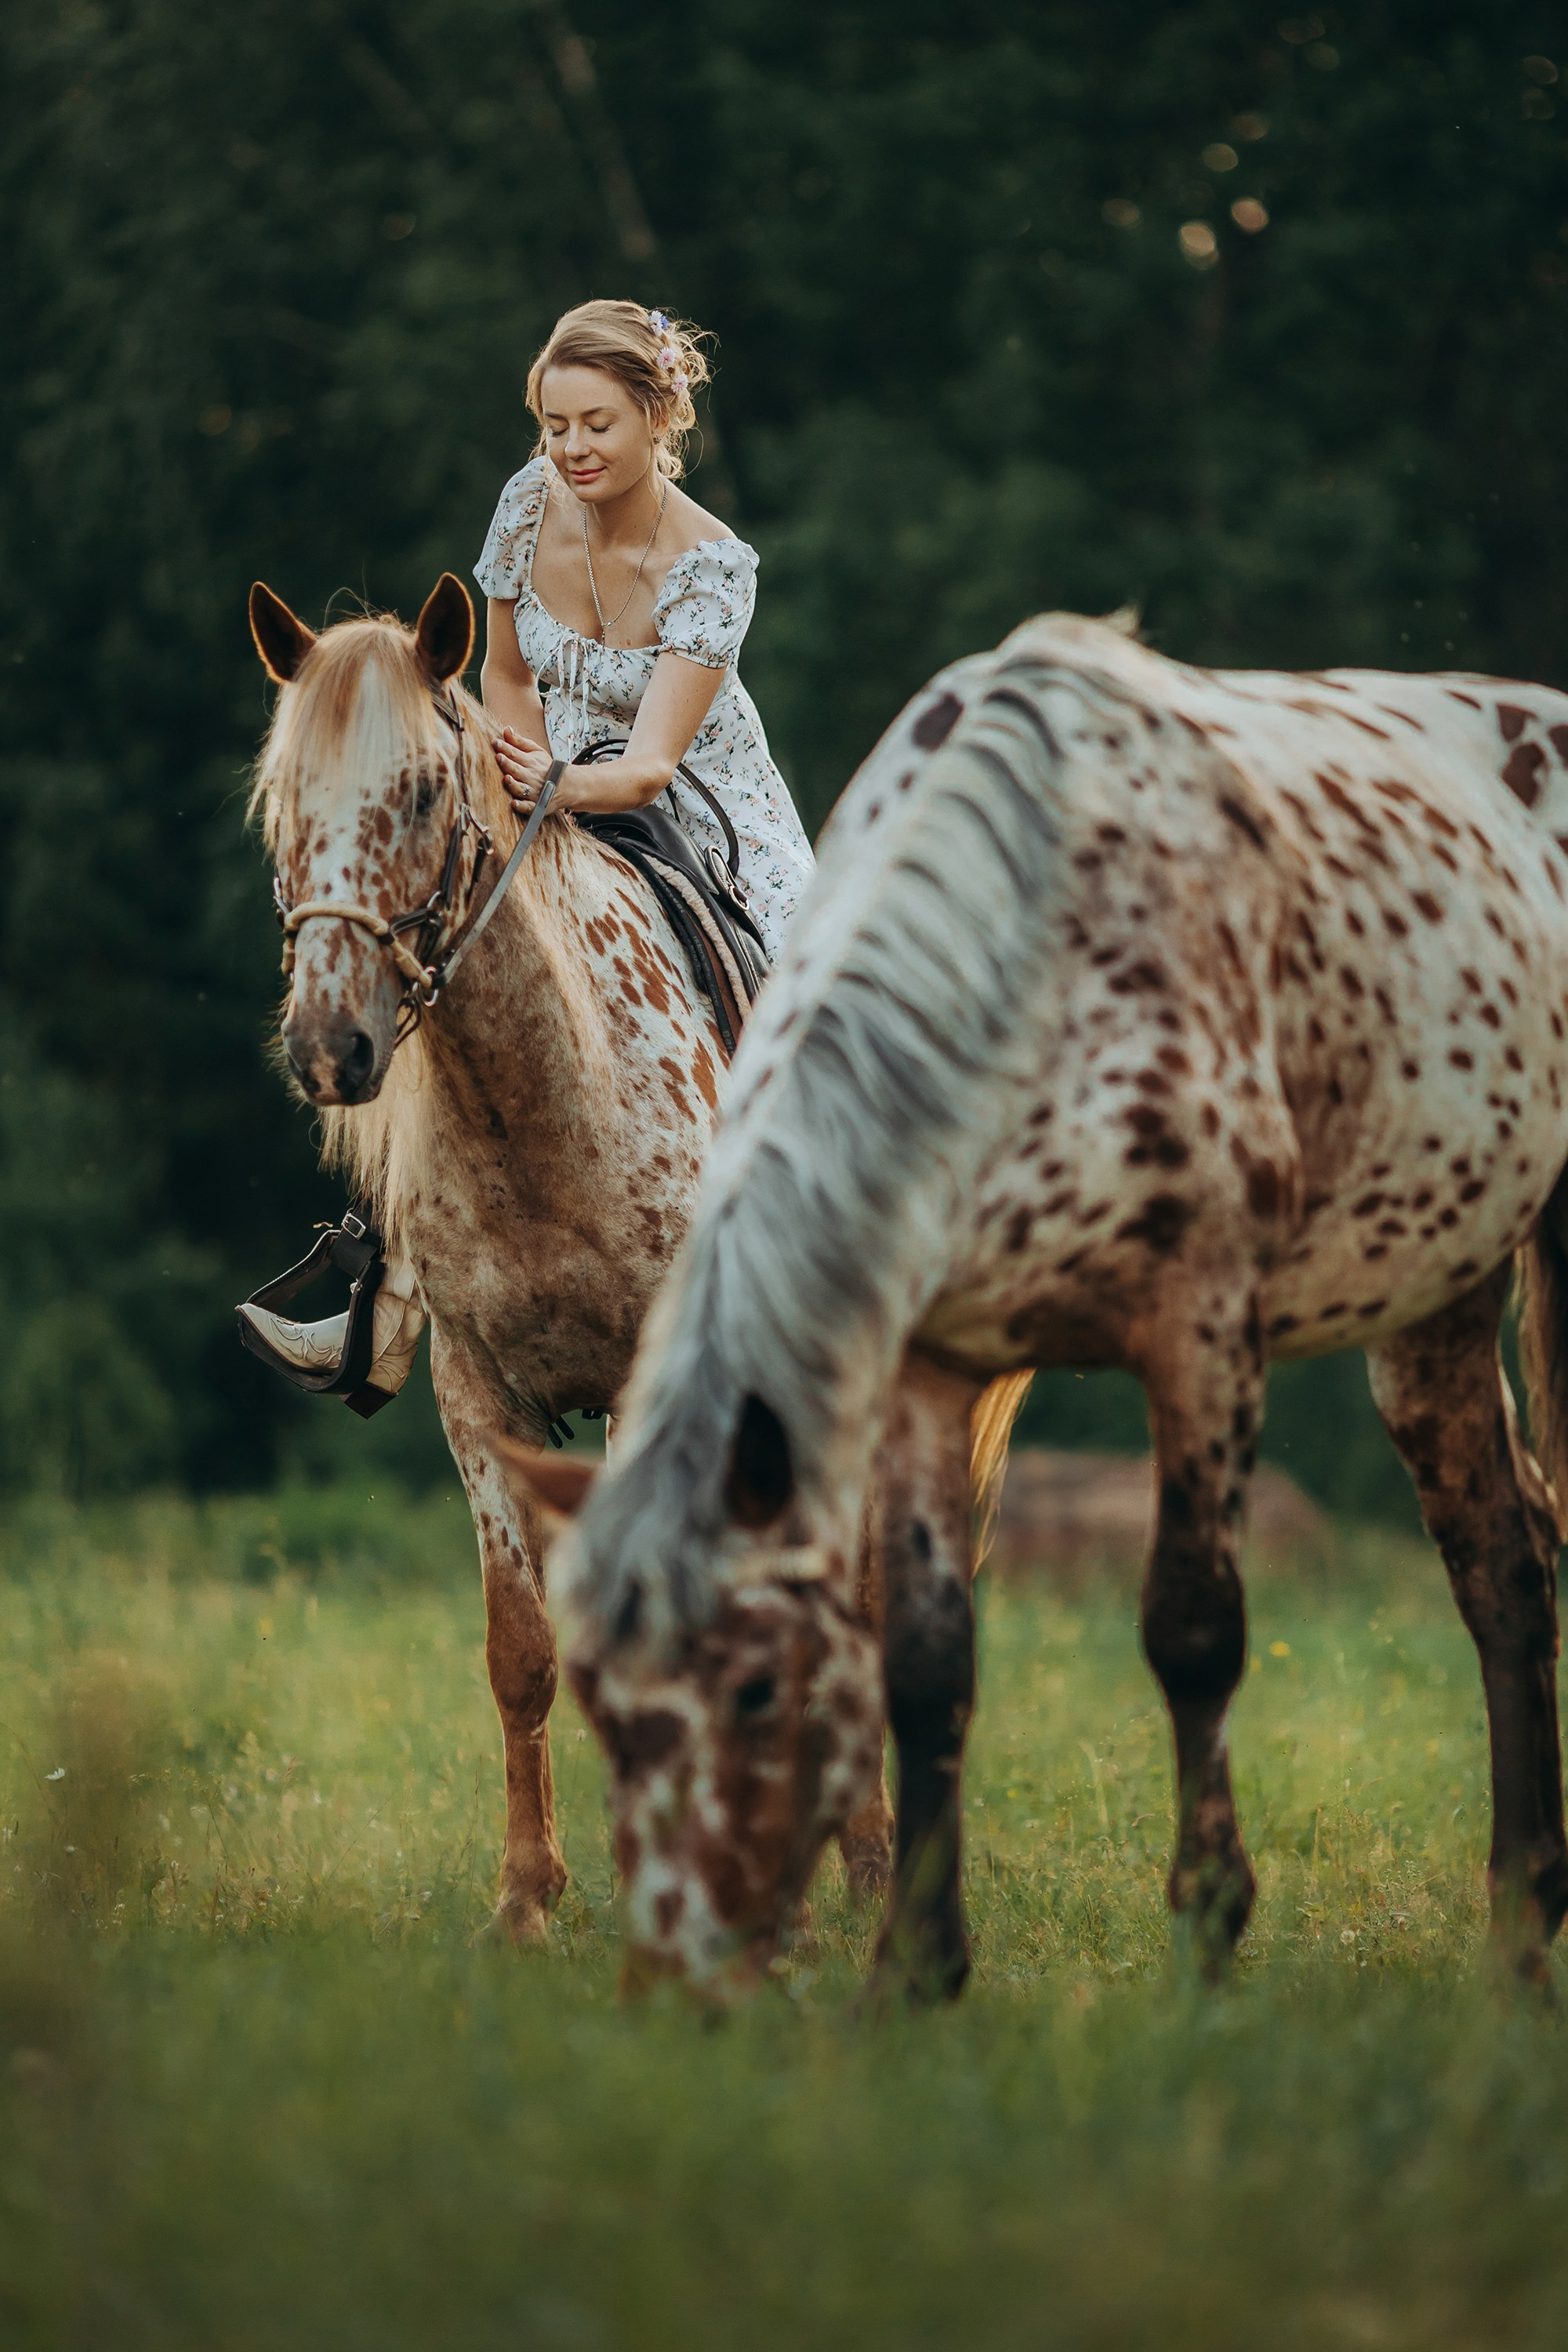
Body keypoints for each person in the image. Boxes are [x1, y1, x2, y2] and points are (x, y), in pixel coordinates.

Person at [243, 299, 814, 1399]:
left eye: (596, 423)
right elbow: (503, 674)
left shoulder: (717, 567)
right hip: (532, 771)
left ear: (659, 415)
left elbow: (651, 767)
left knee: (808, 1004)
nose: (572, 449)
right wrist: (517, 781)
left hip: (694, 801)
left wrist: (556, 790)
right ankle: (387, 1291)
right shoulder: (526, 505)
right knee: (443, 961)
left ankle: (824, 1275)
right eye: (555, 426)